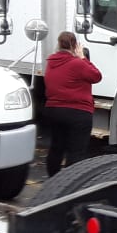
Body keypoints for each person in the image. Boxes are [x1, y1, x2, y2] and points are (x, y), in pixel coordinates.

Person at [43, 31, 102, 176]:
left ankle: (52, 179)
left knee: (56, 147)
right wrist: (83, 58)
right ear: (75, 46)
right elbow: (96, 76)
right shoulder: (77, 63)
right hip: (78, 112)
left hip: (54, 110)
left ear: (58, 45)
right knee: (76, 151)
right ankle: (69, 183)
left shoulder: (51, 63)